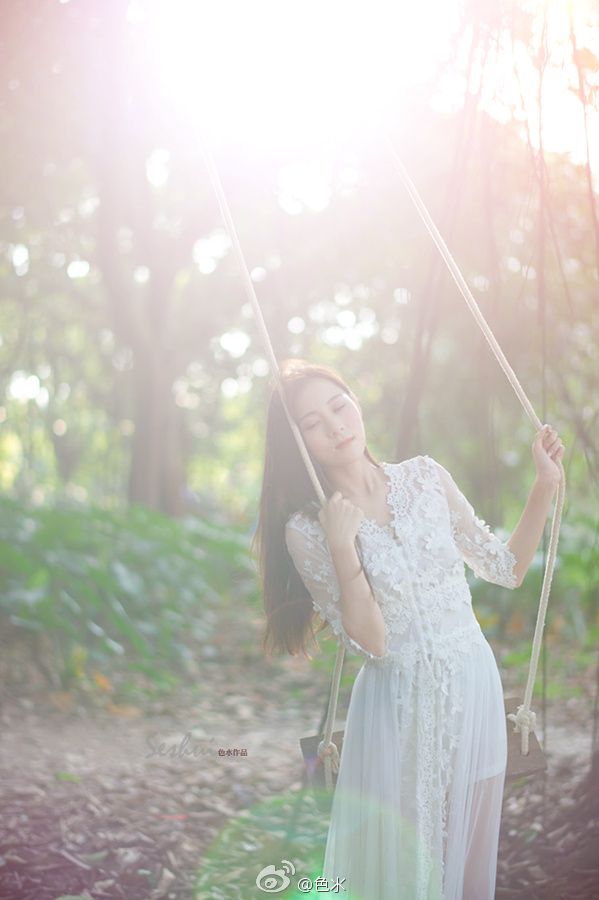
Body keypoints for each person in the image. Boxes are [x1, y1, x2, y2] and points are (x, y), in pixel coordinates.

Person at [254, 358, 564, 900]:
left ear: (356, 404)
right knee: (405, 867)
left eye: (339, 406)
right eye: (312, 423)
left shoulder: (424, 475)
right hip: (395, 706)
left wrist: (545, 482)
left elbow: (506, 568)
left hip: (473, 684)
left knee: (468, 862)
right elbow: (372, 642)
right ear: (296, 443)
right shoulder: (308, 528)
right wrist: (342, 546)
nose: (334, 426)